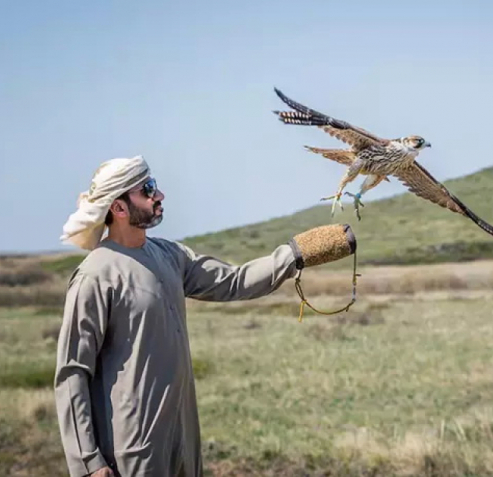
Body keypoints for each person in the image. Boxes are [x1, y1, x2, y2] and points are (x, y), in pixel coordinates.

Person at [54, 156, 356, 477]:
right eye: (148, 189)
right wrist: (88, 461)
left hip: (182, 437)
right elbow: (73, 371)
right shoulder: (96, 275)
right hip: (133, 448)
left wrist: (295, 254)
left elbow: (234, 281)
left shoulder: (170, 255)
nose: (160, 196)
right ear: (119, 208)